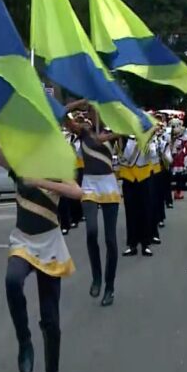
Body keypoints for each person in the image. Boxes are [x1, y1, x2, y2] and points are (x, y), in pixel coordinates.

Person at [0, 130, 83, 372]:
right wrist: (6, 124)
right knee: (12, 280)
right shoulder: (18, 165)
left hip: (49, 244)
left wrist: (42, 181)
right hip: (23, 241)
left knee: (51, 318)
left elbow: (77, 191)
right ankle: (24, 340)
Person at [67, 101, 126, 307]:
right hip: (90, 184)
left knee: (110, 240)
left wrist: (108, 137)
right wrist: (78, 103)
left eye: (96, 108)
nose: (93, 112)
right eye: (91, 109)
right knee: (91, 231)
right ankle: (97, 277)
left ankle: (109, 286)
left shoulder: (117, 131)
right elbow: (60, 115)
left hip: (109, 186)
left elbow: (135, 127)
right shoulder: (83, 131)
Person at [119, 134, 156, 257]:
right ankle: (132, 244)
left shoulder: (147, 138)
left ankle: (146, 244)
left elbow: (152, 154)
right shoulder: (122, 139)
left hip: (144, 177)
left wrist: (147, 141)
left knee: (145, 211)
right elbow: (120, 157)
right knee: (130, 212)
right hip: (128, 178)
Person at [169, 119, 187, 200]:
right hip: (171, 158)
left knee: (180, 176)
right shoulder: (169, 137)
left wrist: (186, 156)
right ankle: (172, 192)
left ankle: (179, 191)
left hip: (180, 158)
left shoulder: (184, 138)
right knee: (170, 176)